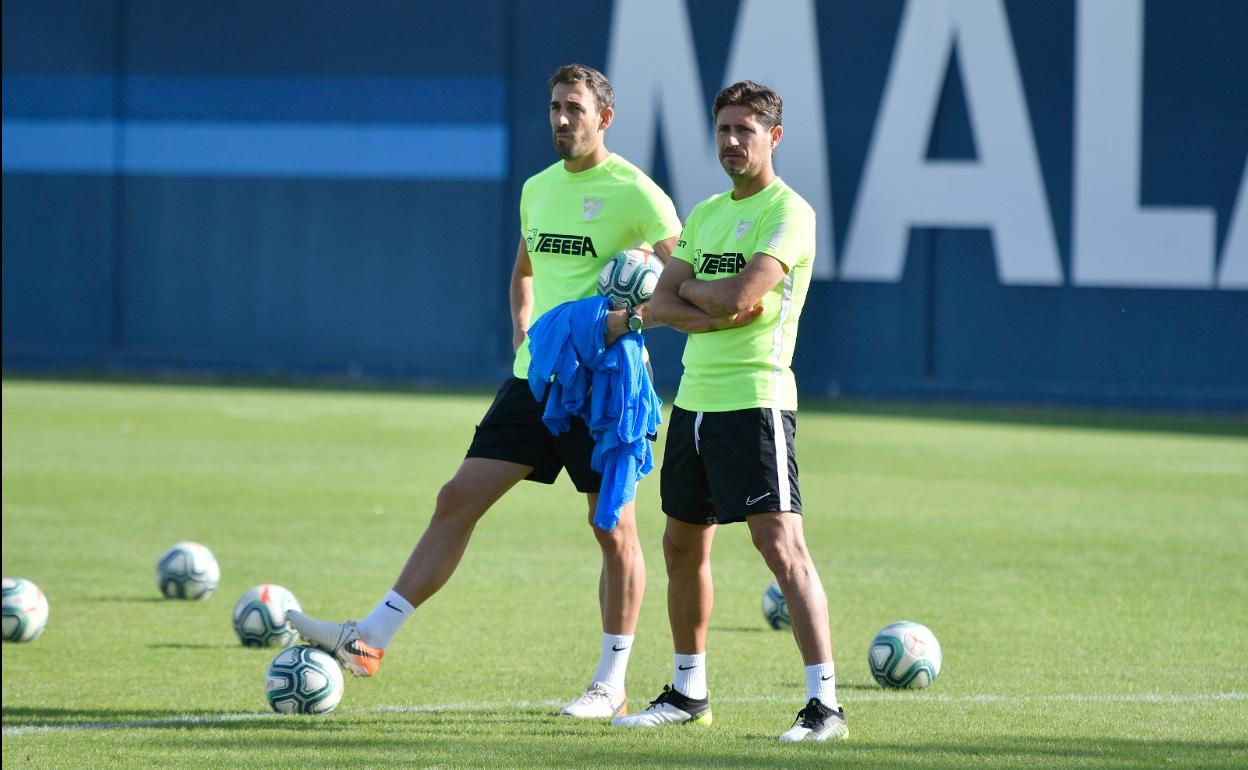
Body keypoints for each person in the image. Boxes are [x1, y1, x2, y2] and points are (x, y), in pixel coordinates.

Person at [290, 64, 682, 720]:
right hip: (537, 378)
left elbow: (681, 281)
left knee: (611, 529)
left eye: (575, 109)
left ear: (604, 118)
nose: (561, 119)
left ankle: (610, 682)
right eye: (555, 107)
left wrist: (630, 315)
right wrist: (523, 333)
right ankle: (370, 638)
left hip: (605, 385)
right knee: (456, 499)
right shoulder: (537, 189)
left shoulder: (637, 194)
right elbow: (525, 270)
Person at [612, 81, 847, 742]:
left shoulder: (789, 212)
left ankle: (824, 705)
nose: (733, 141)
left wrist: (695, 299)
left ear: (774, 136)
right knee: (681, 544)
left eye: (747, 130)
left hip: (756, 399)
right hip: (693, 402)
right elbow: (663, 296)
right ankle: (688, 691)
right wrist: (698, 302)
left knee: (781, 546)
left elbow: (743, 297)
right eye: (724, 130)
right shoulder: (710, 211)